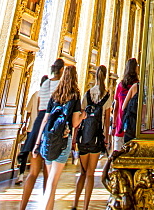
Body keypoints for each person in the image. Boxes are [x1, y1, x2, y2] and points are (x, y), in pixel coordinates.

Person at [35, 64, 84, 210]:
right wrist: (83, 116)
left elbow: (45, 120)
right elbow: (75, 123)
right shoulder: (75, 95)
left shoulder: (55, 95)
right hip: (63, 140)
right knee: (52, 182)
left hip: (48, 139)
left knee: (50, 180)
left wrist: (38, 143)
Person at [17, 59, 64, 210]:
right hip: (50, 126)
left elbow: (38, 107)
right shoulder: (60, 86)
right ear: (62, 70)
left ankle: (22, 207)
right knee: (48, 173)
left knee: (33, 172)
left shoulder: (44, 85)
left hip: (38, 125)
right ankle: (46, 206)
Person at [73, 64, 111, 210]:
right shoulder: (107, 95)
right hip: (96, 138)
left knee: (81, 173)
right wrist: (107, 139)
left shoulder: (88, 94)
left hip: (83, 138)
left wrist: (75, 138)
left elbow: (80, 117)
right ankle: (85, 207)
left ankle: (75, 203)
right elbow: (107, 121)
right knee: (90, 174)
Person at [15, 75, 49, 185]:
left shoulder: (35, 95)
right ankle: (45, 176)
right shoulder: (49, 97)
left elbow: (28, 111)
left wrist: (25, 123)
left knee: (26, 151)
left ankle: (21, 174)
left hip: (32, 128)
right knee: (42, 153)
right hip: (43, 130)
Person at [111, 58, 138, 152]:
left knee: (117, 156)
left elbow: (116, 107)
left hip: (120, 125)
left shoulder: (120, 85)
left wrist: (114, 125)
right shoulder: (137, 86)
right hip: (133, 127)